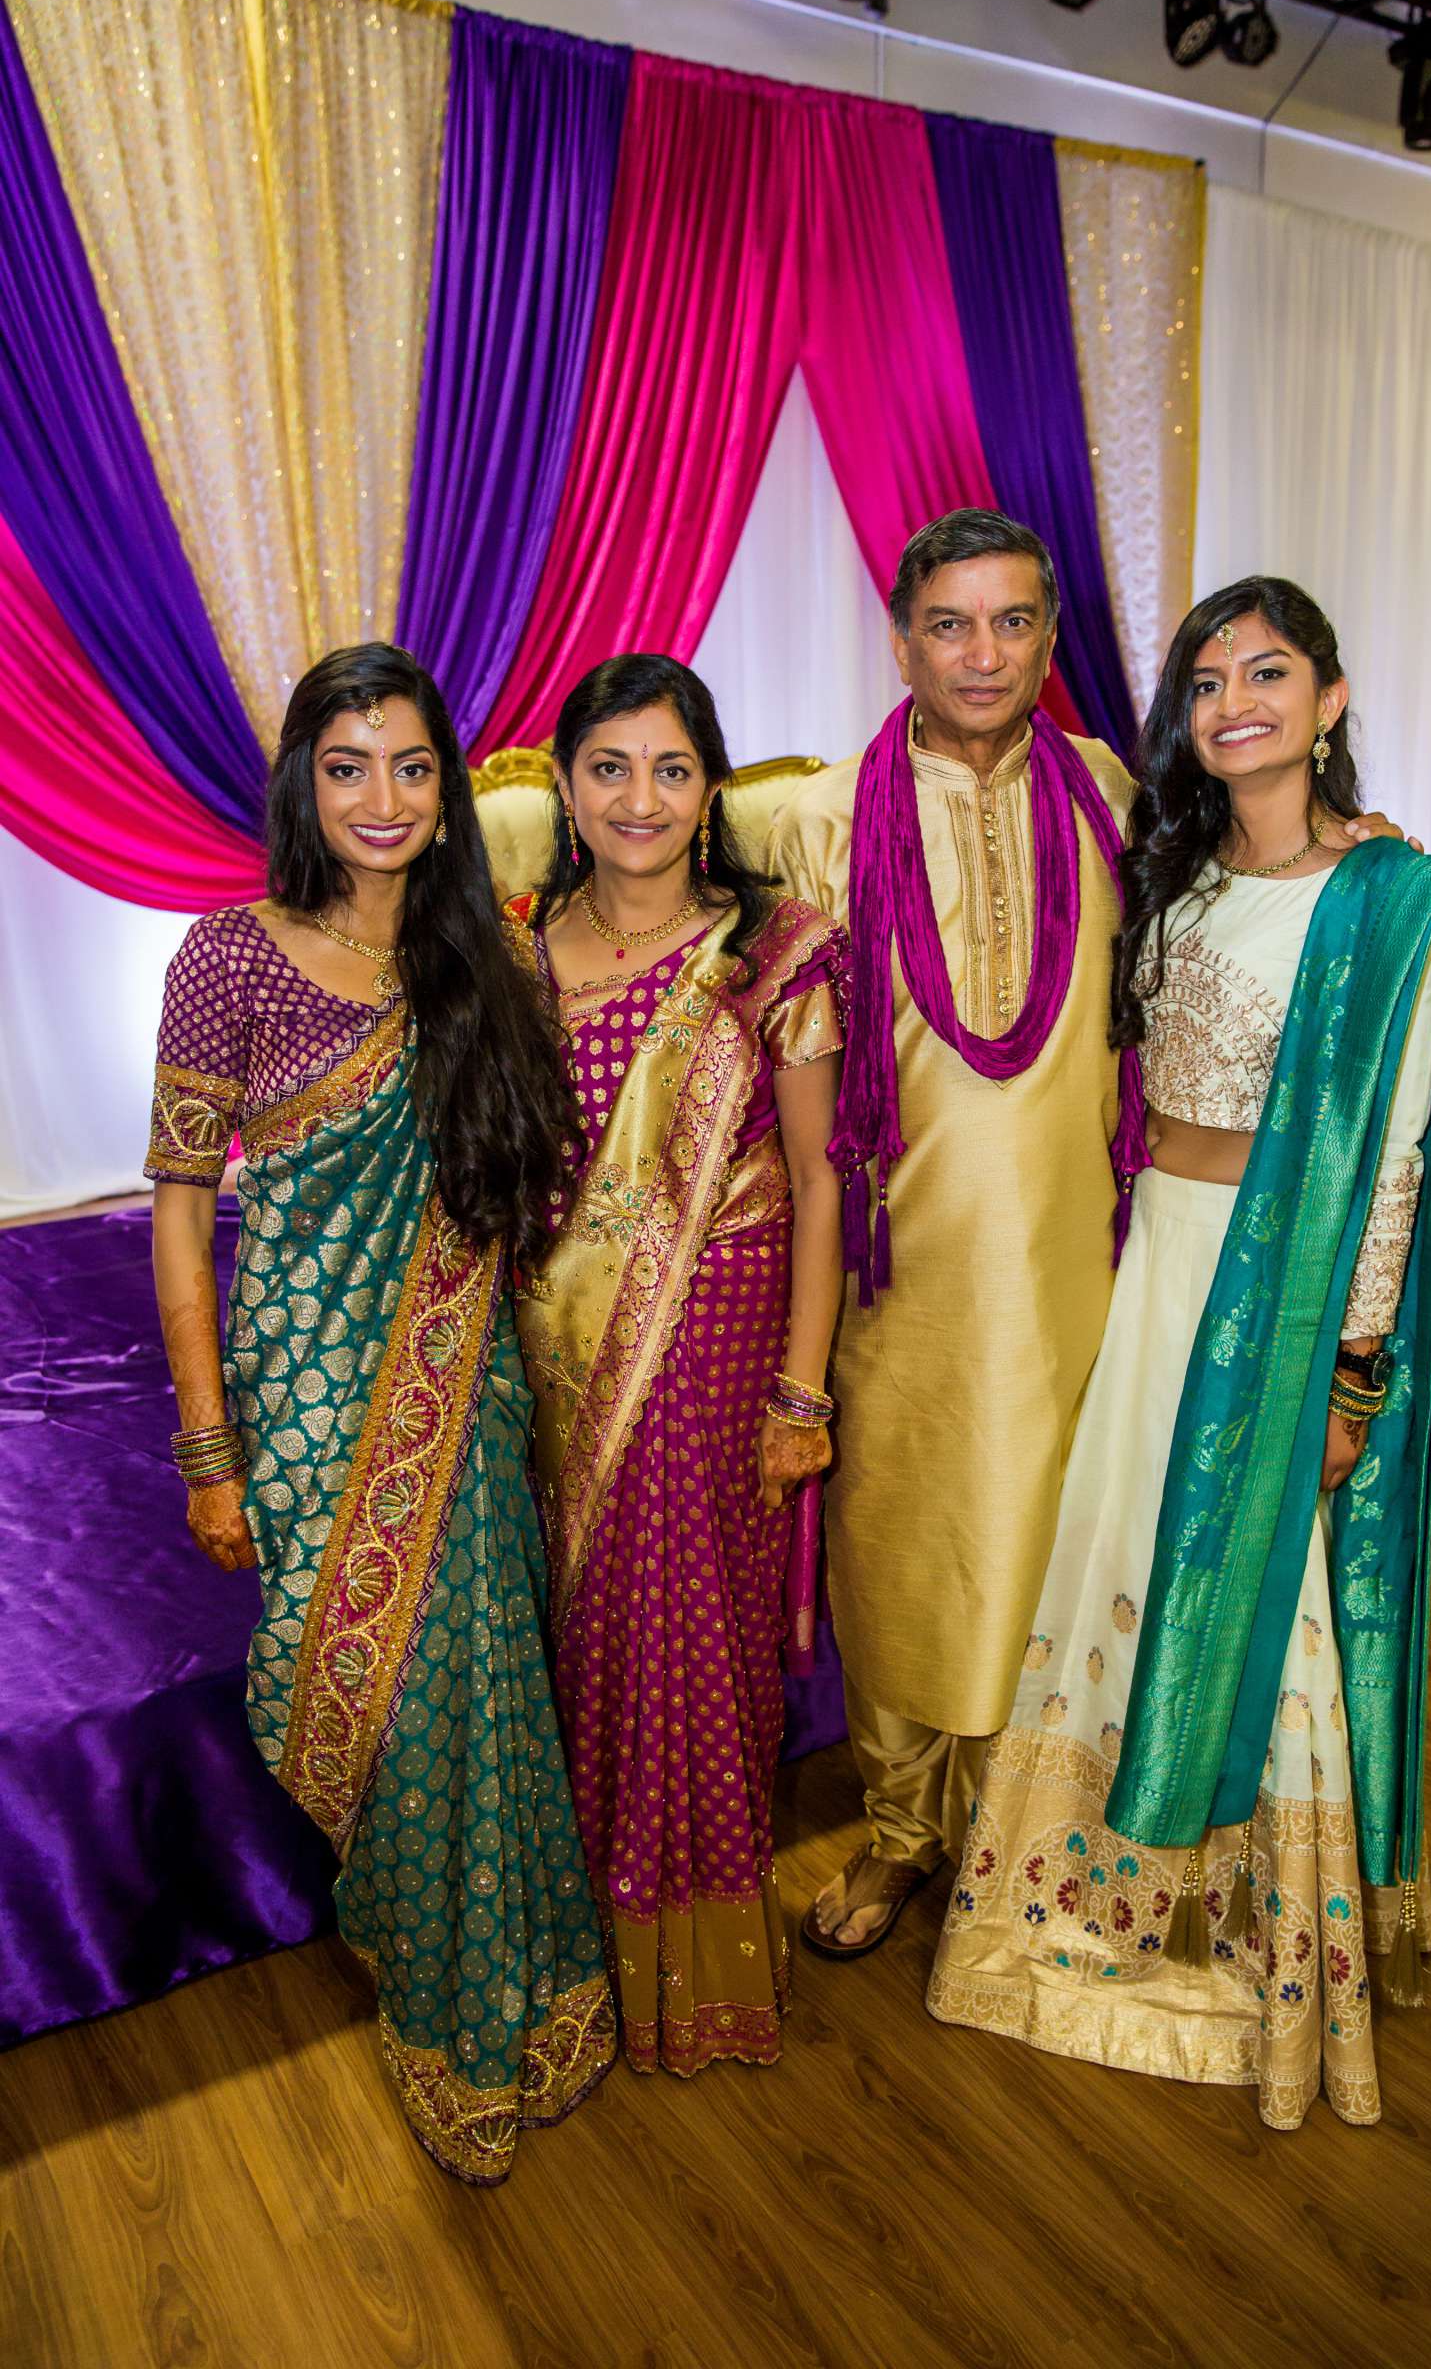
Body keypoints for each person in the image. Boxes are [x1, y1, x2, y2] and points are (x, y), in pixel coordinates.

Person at [768, 510, 1411, 1958]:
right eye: (949, 623)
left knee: (1056, 1538)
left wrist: (1360, 853)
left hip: (1081, 1265)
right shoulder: (812, 819)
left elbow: (1252, 884)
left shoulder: (1115, 793)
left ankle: (1024, 1823)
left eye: (1011, 624)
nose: (982, 653)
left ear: (1052, 641)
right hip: (898, 1267)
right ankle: (898, 1829)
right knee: (895, 1547)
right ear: (901, 638)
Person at [926, 579, 1431, 2129]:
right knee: (1125, 1557)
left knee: (1267, 1593)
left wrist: (1349, 1374)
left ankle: (1255, 1950)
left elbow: (1399, 1158)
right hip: (1153, 1261)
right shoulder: (1161, 873)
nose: (1238, 699)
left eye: (1272, 671)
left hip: (1274, 1290)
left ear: (1333, 698)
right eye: (1210, 676)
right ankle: (1091, 1905)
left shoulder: (1384, 899)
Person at [147, 643, 614, 2183]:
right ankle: (435, 2008)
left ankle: (511, 1998)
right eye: (348, 766)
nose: (383, 797)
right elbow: (179, 1209)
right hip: (303, 1395)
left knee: (481, 1688)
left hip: (460, 1385)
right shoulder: (228, 956)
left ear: (450, 787)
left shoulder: (493, 956)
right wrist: (209, 1446)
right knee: (383, 1707)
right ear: (302, 778)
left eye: (413, 766)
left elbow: (525, 1188)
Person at [507, 654, 848, 2077]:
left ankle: (702, 1964)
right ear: (566, 789)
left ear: (708, 789)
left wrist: (802, 1390)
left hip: (721, 1344)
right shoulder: (517, 949)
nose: (639, 800)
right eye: (609, 768)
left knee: (698, 1637)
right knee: (586, 1640)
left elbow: (825, 1181)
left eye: (669, 769)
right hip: (564, 1347)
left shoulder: (769, 950)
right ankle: (596, 1957)